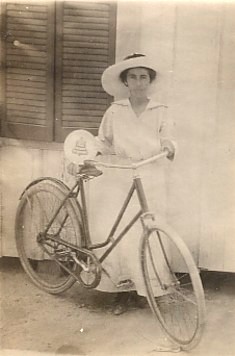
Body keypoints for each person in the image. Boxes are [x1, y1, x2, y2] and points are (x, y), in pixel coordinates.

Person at [68, 53, 176, 315]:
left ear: (149, 81)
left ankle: (148, 290)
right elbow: (103, 141)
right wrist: (88, 155)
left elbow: (169, 139)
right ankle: (120, 292)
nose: (138, 82)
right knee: (120, 234)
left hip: (149, 176)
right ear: (125, 82)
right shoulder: (116, 110)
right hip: (120, 176)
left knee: (148, 230)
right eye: (133, 77)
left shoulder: (161, 111)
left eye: (143, 77)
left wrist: (169, 145)